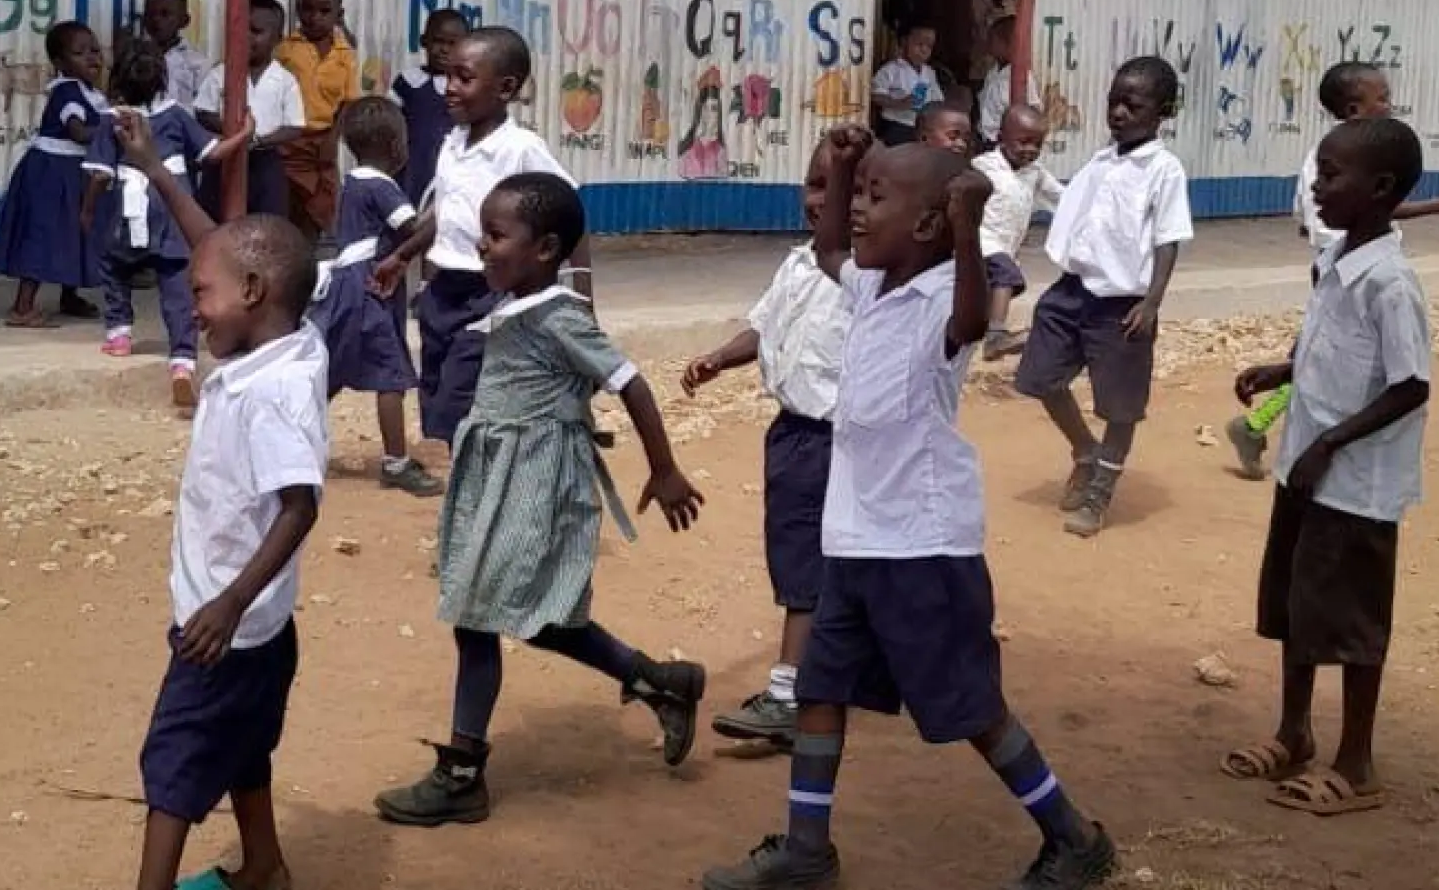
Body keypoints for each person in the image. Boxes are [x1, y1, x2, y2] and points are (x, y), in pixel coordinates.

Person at [702, 130, 1117, 890]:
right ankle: (806, 851)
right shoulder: (868, 284)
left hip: (920, 548)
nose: (854, 210)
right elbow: (830, 254)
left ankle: (1074, 836)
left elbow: (969, 319)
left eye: (873, 198)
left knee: (972, 707)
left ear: (929, 226)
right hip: (854, 540)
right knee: (822, 692)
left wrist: (967, 228)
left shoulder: (943, 303)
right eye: (856, 194)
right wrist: (849, 162)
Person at [373, 172, 708, 826]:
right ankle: (659, 682)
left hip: (534, 485)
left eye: (497, 235)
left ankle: (463, 773)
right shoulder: (514, 304)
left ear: (546, 248)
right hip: (500, 479)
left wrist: (664, 470)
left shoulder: (557, 316)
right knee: (538, 617)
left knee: (479, 616)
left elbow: (631, 383)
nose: (482, 245)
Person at [110, 106, 326, 890]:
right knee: (244, 745)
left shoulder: (272, 395)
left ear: (253, 292)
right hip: (262, 625)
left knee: (172, 764)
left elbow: (301, 507)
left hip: (224, 625)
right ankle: (264, 864)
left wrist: (229, 603)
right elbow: (221, 250)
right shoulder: (291, 334)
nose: (192, 307)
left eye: (200, 296)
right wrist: (159, 168)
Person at [1220, 117, 1432, 818]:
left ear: (1379, 189)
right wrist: (1281, 366)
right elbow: (1328, 342)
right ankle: (1294, 733)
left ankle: (1358, 763)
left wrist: (1332, 443)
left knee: (1354, 621)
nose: (1317, 184)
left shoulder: (1392, 284)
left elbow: (1410, 384)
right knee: (1299, 608)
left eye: (1331, 175)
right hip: (1305, 470)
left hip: (1354, 484)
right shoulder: (1337, 258)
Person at [682, 139, 849, 749]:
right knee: (815, 562)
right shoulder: (798, 264)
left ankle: (787, 696)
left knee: (806, 564)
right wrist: (720, 358)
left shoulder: (868, 277)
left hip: (834, 441)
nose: (820, 202)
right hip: (793, 436)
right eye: (814, 184)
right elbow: (765, 323)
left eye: (843, 190)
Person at [1226, 62, 1439, 480]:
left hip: (1340, 277)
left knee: (1330, 363)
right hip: (1337, 281)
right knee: (1328, 365)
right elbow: (1411, 387)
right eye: (1383, 98)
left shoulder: (1386, 275)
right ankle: (1256, 425)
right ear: (1355, 110)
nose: (1390, 106)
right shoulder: (1335, 164)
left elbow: (1315, 217)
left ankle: (1258, 426)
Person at [371, 26, 594, 450]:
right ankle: (470, 484)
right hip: (442, 291)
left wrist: (583, 296)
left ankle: (486, 486)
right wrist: (403, 255)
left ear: (505, 88)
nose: (450, 89)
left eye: (465, 78)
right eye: (449, 76)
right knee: (436, 404)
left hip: (489, 294)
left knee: (458, 401)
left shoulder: (519, 149)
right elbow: (448, 212)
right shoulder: (452, 143)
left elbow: (570, 210)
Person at [1012, 56, 1193, 538]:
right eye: (1114, 102)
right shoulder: (1101, 161)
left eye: (1132, 105)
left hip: (1123, 305)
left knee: (1120, 406)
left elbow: (1169, 239)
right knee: (1040, 377)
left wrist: (1152, 302)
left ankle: (1099, 493)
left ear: (1163, 111)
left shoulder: (1164, 170)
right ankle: (1085, 451)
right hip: (1072, 292)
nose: (1118, 113)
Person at [82, 40, 252, 409]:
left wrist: (88, 211)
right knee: (177, 283)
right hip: (170, 205)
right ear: (162, 77)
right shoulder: (175, 115)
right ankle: (182, 362)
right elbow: (215, 153)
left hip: (126, 208)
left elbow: (98, 176)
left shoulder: (113, 121)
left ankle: (120, 334)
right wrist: (244, 134)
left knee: (113, 267)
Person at [308, 97, 441, 497]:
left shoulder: (353, 182)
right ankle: (396, 462)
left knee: (331, 370)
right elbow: (414, 228)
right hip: (369, 288)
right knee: (392, 374)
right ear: (397, 147)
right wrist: (445, 208)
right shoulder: (383, 187)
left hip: (344, 286)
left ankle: (296, 441)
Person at [0, 21, 107, 327]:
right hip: (50, 175)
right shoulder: (67, 92)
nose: (92, 57)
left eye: (95, 50)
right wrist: (112, 130)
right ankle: (22, 306)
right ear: (60, 63)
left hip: (71, 173)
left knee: (74, 235)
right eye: (80, 53)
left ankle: (69, 296)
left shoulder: (91, 93)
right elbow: (78, 132)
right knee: (44, 236)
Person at [194, 0, 306, 220]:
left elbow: (295, 126)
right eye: (242, 29)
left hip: (264, 161)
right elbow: (203, 112)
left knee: (268, 221)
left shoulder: (285, 80)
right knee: (216, 219)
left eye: (256, 31)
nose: (246, 37)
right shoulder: (221, 73)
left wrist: (257, 140)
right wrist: (232, 130)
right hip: (224, 158)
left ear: (277, 39)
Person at [976, 104, 1063, 361]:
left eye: (1037, 145)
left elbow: (1061, 197)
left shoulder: (1035, 173)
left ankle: (984, 329)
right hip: (982, 241)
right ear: (1001, 138)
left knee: (1000, 285)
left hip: (1006, 246)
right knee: (1006, 276)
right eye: (1023, 142)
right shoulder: (983, 167)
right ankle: (995, 336)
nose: (1031, 150)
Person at [276, 0, 358, 242]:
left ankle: (308, 261)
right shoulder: (286, 49)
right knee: (286, 202)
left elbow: (347, 102)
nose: (314, 18)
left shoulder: (345, 54)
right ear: (298, 10)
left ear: (338, 14)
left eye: (324, 11)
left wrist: (332, 140)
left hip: (322, 143)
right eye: (307, 10)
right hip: (288, 141)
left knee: (318, 206)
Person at [391, 8, 468, 208]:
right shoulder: (408, 81)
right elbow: (390, 120)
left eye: (452, 44)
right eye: (438, 41)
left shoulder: (465, 86)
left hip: (449, 163)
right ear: (424, 41)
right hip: (411, 163)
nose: (444, 49)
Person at [871, 24, 943, 146]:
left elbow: (938, 99)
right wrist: (899, 103)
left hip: (922, 127)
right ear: (905, 43)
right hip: (896, 126)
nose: (924, 50)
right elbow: (876, 95)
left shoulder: (929, 72)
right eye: (919, 45)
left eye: (929, 46)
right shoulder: (891, 69)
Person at [978, 14, 1040, 149]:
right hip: (987, 137)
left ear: (1009, 45)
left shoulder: (1020, 75)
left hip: (1003, 142)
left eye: (993, 41)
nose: (988, 44)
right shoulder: (993, 72)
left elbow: (1032, 107)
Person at [141, 0, 208, 110]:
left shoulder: (197, 63)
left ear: (184, 21)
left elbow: (203, 109)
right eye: (151, 14)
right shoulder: (135, 58)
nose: (156, 20)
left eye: (165, 14)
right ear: (144, 19)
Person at [678, 70, 728, 180]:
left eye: (714, 109)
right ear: (700, 111)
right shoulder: (687, 152)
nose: (710, 114)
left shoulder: (721, 152)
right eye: (705, 108)